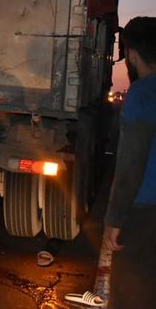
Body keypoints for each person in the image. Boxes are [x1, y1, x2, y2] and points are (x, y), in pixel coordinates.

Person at [104, 17, 156, 308]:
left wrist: (114, 219)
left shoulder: (143, 94)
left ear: (133, 54)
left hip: (145, 212)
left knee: (133, 294)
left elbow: (131, 165)